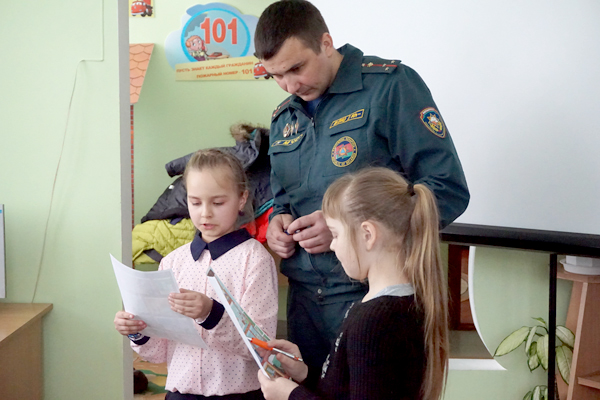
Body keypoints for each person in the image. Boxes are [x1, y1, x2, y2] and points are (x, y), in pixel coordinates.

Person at [254, 0, 468, 380]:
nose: (290, 85)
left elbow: (445, 189)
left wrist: (346, 226)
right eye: (276, 76)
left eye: (297, 68)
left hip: (373, 298)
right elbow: (283, 197)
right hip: (305, 299)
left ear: (325, 43)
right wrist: (277, 224)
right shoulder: (284, 117)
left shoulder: (391, 87)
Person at [256, 167, 449, 400]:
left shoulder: (373, 320)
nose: (333, 245)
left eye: (336, 234)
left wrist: (291, 396)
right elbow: (349, 389)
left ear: (368, 234)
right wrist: (304, 373)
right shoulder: (403, 303)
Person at [114, 148, 279, 400]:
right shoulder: (172, 262)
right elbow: (158, 353)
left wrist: (211, 314)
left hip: (236, 395)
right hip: (180, 393)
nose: (205, 213)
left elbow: (260, 347)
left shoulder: (254, 260)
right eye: (195, 202)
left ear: (241, 199)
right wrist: (138, 330)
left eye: (218, 202)